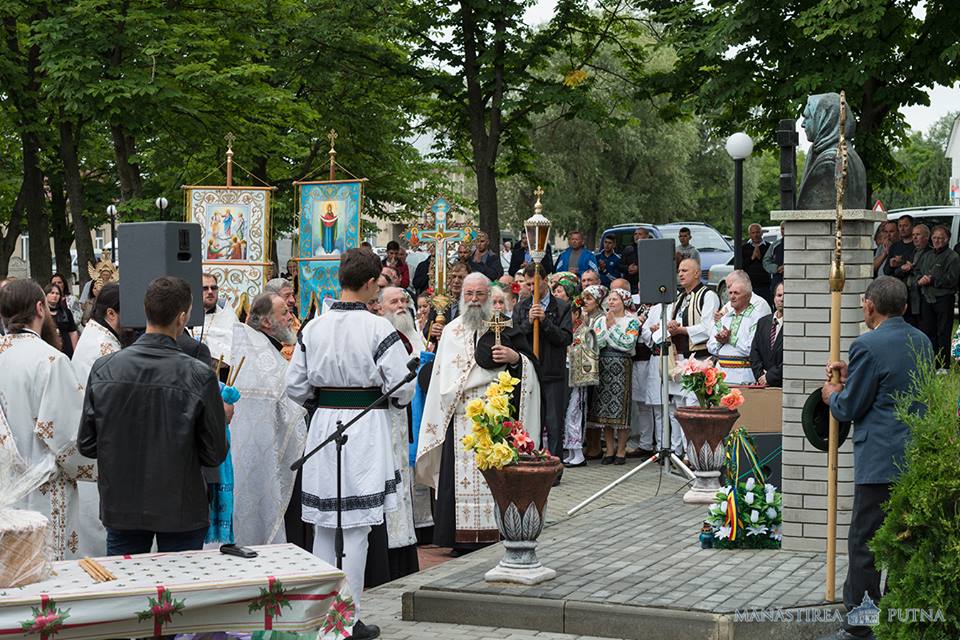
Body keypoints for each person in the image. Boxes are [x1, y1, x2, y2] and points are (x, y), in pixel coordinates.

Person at [286, 249, 416, 640]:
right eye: (378, 281)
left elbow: (294, 386)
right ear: (369, 282)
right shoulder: (379, 330)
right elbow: (401, 387)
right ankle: (346, 618)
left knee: (326, 526)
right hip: (365, 427)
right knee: (356, 528)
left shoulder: (313, 327)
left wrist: (323, 402)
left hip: (325, 425)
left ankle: (323, 616)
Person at [78, 276, 228, 555]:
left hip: (123, 504)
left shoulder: (104, 368)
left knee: (128, 595)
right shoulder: (199, 375)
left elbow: (87, 444)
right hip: (180, 506)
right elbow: (214, 453)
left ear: (145, 311)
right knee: (180, 594)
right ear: (182, 317)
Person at [820, 276, 932, 640]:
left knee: (865, 543)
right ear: (903, 306)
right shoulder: (923, 341)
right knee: (902, 542)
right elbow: (895, 381)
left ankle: (861, 626)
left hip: (879, 462)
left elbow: (851, 406)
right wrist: (855, 376)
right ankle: (897, 618)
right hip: (914, 457)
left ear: (870, 305)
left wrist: (831, 395)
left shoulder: (866, 344)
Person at [416, 272, 541, 552]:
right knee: (455, 480)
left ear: (489, 297)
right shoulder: (450, 331)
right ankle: (457, 538)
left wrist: (514, 358)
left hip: (494, 418)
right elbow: (440, 379)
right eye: (469, 295)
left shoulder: (504, 327)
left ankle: (497, 532)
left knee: (495, 477)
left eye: (479, 295)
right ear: (462, 297)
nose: (474, 300)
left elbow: (531, 367)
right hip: (458, 418)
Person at [0, 279, 87, 559]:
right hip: (44, 491)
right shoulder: (50, 360)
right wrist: (94, 466)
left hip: (4, 485)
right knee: (47, 570)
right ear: (40, 308)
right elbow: (68, 436)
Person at [229, 292, 308, 547]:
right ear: (265, 323)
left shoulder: (262, 350)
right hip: (260, 456)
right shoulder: (260, 360)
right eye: (284, 312)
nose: (291, 318)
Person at [70, 283, 123, 557]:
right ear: (112, 314)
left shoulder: (96, 335)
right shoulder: (104, 348)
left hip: (97, 446)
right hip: (103, 449)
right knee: (101, 533)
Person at [378, 287, 422, 579]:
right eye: (394, 301)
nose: (401, 305)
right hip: (383, 418)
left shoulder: (414, 334)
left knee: (403, 479)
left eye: (404, 300)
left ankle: (404, 545)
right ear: (380, 307)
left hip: (402, 418)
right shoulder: (380, 334)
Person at [513, 263, 573, 463]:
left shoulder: (562, 306)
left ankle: (555, 465)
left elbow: (565, 338)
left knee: (554, 423)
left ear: (545, 281)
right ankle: (533, 462)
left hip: (553, 372)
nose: (530, 288)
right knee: (533, 420)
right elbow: (516, 337)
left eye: (534, 284)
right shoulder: (521, 306)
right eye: (528, 284)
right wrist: (528, 323)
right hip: (531, 372)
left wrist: (545, 321)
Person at [586, 287, 639, 465]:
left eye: (615, 299)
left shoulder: (632, 322)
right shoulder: (600, 320)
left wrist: (612, 328)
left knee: (622, 411)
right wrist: (608, 332)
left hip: (622, 366)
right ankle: (609, 449)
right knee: (605, 410)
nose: (611, 302)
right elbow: (596, 342)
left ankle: (621, 450)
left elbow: (627, 343)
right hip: (604, 365)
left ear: (624, 302)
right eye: (609, 299)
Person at [565, 285, 606, 466]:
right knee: (568, 415)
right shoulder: (573, 332)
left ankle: (578, 452)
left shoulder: (585, 331)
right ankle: (572, 451)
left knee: (576, 414)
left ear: (576, 314)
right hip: (568, 376)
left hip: (579, 377)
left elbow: (589, 352)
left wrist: (570, 350)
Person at [708, 270, 769, 384]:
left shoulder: (756, 318)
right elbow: (710, 347)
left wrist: (730, 339)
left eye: (736, 293)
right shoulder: (725, 317)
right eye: (730, 293)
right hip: (721, 376)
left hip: (744, 377)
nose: (732, 297)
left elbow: (752, 350)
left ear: (748, 296)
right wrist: (720, 341)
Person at [915, 225, 959, 362]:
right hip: (927, 298)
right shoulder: (926, 255)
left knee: (943, 332)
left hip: (944, 299)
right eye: (934, 237)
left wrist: (933, 280)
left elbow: (953, 280)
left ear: (947, 240)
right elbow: (917, 271)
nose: (937, 240)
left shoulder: (953, 257)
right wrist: (919, 279)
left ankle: (943, 364)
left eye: (940, 238)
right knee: (928, 332)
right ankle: (930, 361)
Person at [190, 272, 240, 378]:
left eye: (213, 288)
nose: (210, 292)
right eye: (205, 288)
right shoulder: (186, 315)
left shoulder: (228, 316)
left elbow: (234, 353)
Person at [889, 223, 930, 327]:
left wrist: (911, 269)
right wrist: (903, 268)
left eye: (918, 235)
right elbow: (897, 272)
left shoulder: (930, 253)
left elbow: (927, 272)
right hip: (910, 295)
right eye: (913, 235)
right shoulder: (912, 252)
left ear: (926, 237)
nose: (915, 238)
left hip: (922, 297)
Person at [750, 282, 784, 387]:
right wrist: (761, 376)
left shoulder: (796, 325)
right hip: (763, 383)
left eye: (786, 295)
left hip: (782, 384)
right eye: (779, 295)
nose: (782, 299)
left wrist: (769, 377)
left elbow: (792, 358)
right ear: (774, 298)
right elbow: (755, 352)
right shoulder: (763, 322)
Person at [264, 277, 302, 361]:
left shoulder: (293, 318)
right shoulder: (263, 323)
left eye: (292, 295)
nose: (293, 300)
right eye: (287, 296)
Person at [741, 223, 771, 304]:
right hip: (749, 285)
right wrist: (752, 258)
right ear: (749, 234)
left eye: (757, 232)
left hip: (765, 285)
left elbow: (769, 264)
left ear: (761, 233)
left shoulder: (769, 247)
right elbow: (741, 265)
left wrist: (760, 257)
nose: (756, 235)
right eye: (753, 233)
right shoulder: (744, 248)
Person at [46, 283, 79, 357]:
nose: (54, 296)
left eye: (57, 294)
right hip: (48, 349)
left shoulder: (66, 312)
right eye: (52, 293)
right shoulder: (41, 313)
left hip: (66, 349)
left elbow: (73, 332)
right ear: (46, 295)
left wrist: (75, 352)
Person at [620, 227, 651, 293]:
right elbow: (620, 266)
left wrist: (638, 268)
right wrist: (628, 268)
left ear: (647, 236)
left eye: (640, 234)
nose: (637, 236)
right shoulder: (628, 249)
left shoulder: (652, 249)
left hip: (647, 283)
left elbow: (654, 266)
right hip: (631, 285)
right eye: (635, 234)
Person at [763, 223, 786, 290]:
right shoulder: (775, 245)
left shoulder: (797, 244)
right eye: (782, 228)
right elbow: (766, 261)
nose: (784, 231)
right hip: (777, 279)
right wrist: (777, 268)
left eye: (786, 228)